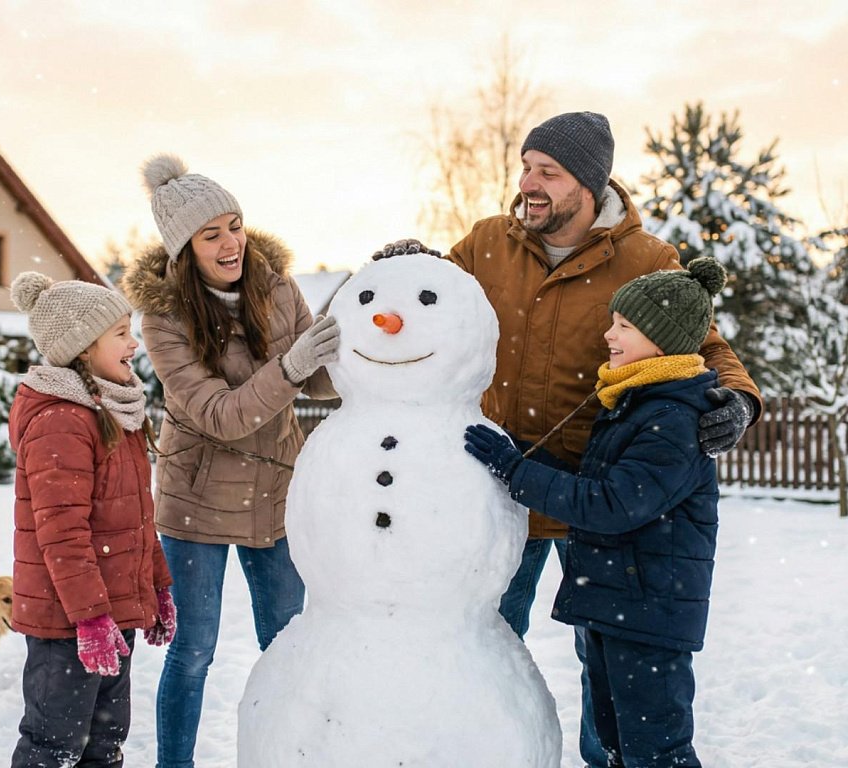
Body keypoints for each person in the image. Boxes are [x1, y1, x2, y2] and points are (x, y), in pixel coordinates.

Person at [379, 110, 762, 766]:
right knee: (484, 641)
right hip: (497, 489)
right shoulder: (487, 244)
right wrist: (409, 270)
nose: (528, 181)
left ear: (587, 185)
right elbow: (433, 299)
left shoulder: (645, 260)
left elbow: (704, 343)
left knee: (609, 663)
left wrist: (741, 401)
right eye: (526, 166)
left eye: (546, 172)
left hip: (594, 495)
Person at [464, 256, 731, 767]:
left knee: (656, 753)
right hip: (620, 605)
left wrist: (516, 473)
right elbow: (595, 482)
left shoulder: (673, 418)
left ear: (662, 340)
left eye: (624, 326)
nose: (609, 334)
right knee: (614, 745)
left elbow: (611, 504)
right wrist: (516, 450)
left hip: (649, 616)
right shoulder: (636, 400)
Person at [121, 154, 339, 768]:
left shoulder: (278, 287)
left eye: (235, 225)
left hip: (275, 493)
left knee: (286, 643)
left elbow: (317, 382)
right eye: (210, 234)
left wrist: (356, 352)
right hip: (197, 504)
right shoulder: (163, 319)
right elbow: (221, 414)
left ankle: (288, 755)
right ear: (184, 249)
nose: (230, 242)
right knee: (193, 649)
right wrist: (293, 368)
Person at [7, 271, 175, 768]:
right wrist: (90, 618)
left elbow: (136, 519)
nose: (134, 342)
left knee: (103, 746)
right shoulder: (62, 420)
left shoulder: (112, 412)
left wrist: (157, 587)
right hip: (68, 623)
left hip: (110, 614)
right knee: (54, 747)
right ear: (83, 348)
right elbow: (62, 533)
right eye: (121, 332)